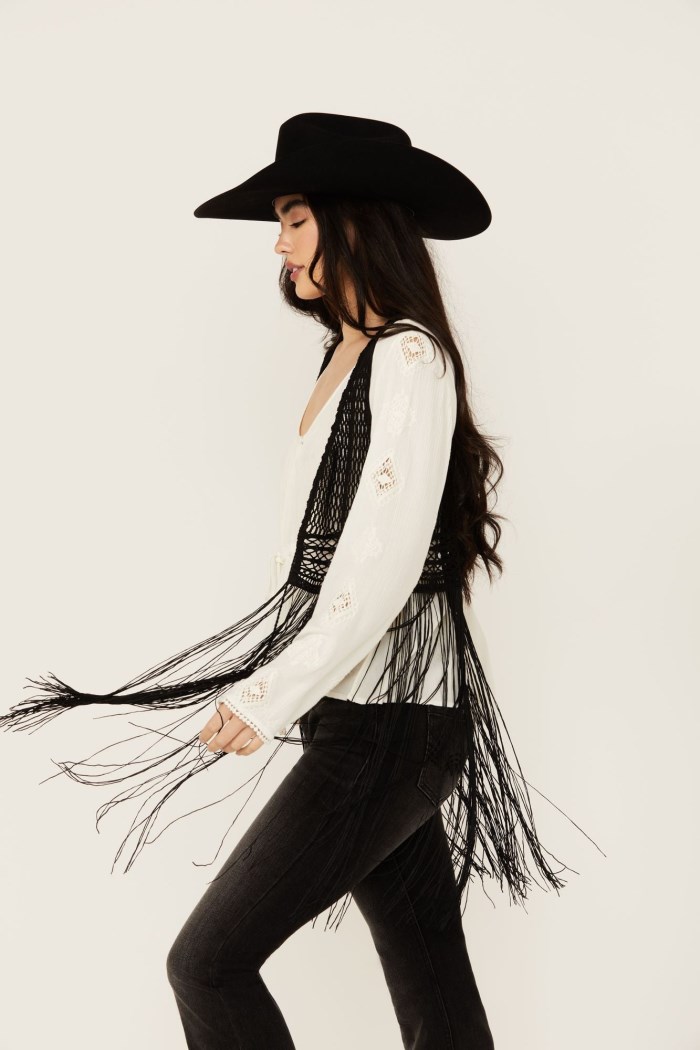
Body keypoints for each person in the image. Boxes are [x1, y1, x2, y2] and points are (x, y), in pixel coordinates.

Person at [1, 113, 586, 1050]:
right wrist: (295, 691)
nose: (279, 244)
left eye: (296, 218)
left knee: (207, 964)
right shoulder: (346, 354)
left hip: (386, 728)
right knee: (433, 982)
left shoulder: (407, 357)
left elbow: (382, 564)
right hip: (369, 715)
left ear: (355, 221)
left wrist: (269, 691)